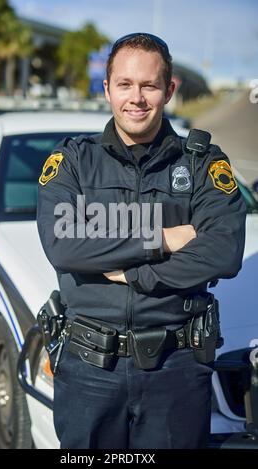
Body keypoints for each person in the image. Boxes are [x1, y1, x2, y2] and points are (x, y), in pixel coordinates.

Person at [37, 33, 246, 449]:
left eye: (149, 85)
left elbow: (223, 250)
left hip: (176, 369)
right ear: (107, 88)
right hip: (89, 370)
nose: (137, 98)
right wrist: (164, 238)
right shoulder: (74, 162)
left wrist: (135, 275)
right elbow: (63, 244)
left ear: (169, 89)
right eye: (125, 85)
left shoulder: (202, 164)